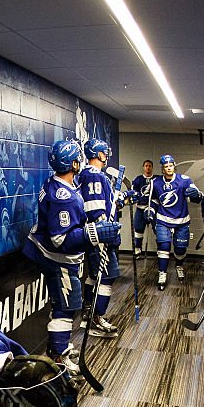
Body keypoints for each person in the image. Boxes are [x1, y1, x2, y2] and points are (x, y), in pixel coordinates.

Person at [24, 139, 119, 374]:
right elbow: (60, 240)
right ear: (74, 162)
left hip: (58, 257)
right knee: (66, 307)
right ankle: (58, 356)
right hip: (57, 259)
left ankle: (61, 346)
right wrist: (93, 233)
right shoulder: (62, 196)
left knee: (66, 305)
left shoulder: (61, 185)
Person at [77, 138, 122, 339]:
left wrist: (119, 198)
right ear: (99, 154)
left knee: (95, 275)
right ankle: (96, 318)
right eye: (104, 151)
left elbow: (104, 202)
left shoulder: (91, 175)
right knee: (107, 275)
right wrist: (106, 231)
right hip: (99, 236)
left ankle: (88, 315)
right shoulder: (94, 176)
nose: (107, 155)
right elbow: (95, 209)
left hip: (95, 234)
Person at [146, 154, 202, 290]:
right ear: (162, 169)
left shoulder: (184, 180)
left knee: (180, 249)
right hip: (163, 219)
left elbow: (198, 195)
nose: (169, 168)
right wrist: (150, 211)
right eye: (166, 166)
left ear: (174, 166)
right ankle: (162, 273)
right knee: (163, 247)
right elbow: (153, 200)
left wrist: (196, 195)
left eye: (171, 165)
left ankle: (179, 265)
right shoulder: (156, 182)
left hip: (182, 220)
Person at [130, 159, 155, 258]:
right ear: (143, 167)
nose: (148, 167)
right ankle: (138, 248)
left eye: (149, 166)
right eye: (146, 166)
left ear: (152, 167)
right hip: (141, 208)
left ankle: (161, 251)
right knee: (138, 228)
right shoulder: (138, 179)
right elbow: (133, 192)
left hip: (152, 208)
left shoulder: (156, 179)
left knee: (158, 229)